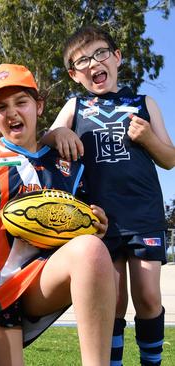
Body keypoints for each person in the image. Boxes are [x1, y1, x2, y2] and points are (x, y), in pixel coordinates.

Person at [0, 64, 115, 365]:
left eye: (21, 102)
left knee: (92, 250)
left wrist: (95, 224)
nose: (12, 112)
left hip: (42, 281)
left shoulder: (67, 163)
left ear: (38, 106)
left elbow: (77, 232)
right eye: (1, 106)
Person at [42, 26, 175, 366]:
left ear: (116, 57)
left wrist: (147, 138)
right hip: (98, 219)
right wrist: (58, 133)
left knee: (146, 296)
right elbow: (45, 138)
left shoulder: (144, 103)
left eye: (100, 53)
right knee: (112, 302)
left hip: (142, 213)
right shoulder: (75, 105)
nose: (93, 63)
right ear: (74, 74)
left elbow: (170, 158)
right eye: (82, 60)